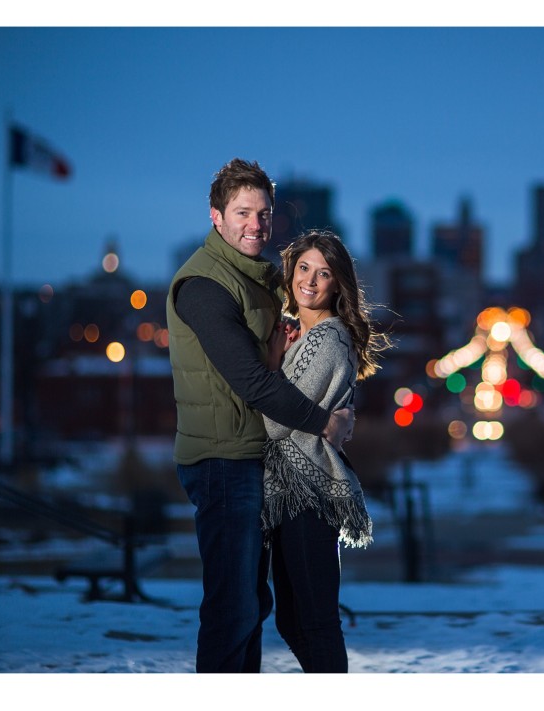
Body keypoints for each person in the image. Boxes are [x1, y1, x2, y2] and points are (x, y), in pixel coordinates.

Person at [166, 159, 353, 674]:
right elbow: (251, 381)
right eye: (243, 212)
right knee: (233, 607)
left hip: (259, 460)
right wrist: (326, 422)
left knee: (253, 604)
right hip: (223, 460)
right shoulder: (203, 285)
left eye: (264, 213)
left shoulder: (265, 277)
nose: (256, 224)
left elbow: (302, 351)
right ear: (216, 217)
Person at [261, 229, 390, 673]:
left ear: (338, 285)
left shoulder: (328, 340)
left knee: (314, 623)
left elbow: (275, 422)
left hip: (308, 494)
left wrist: (271, 364)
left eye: (324, 273)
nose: (310, 282)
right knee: (293, 621)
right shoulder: (303, 336)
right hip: (293, 493)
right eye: (303, 269)